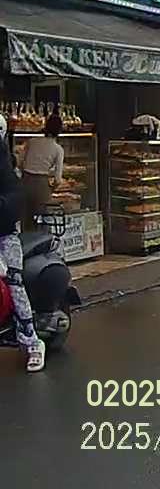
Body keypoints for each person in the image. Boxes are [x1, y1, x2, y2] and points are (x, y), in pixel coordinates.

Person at [0, 115, 43, 372]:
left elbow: (14, 200)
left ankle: (32, 342)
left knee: (13, 281)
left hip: (4, 235)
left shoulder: (6, 171)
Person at [17, 113, 64, 232]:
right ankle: (41, 241)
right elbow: (58, 179)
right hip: (42, 185)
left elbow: (20, 162)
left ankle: (26, 241)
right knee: (43, 219)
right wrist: (51, 189)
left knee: (25, 219)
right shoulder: (58, 149)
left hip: (25, 181)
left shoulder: (32, 142)